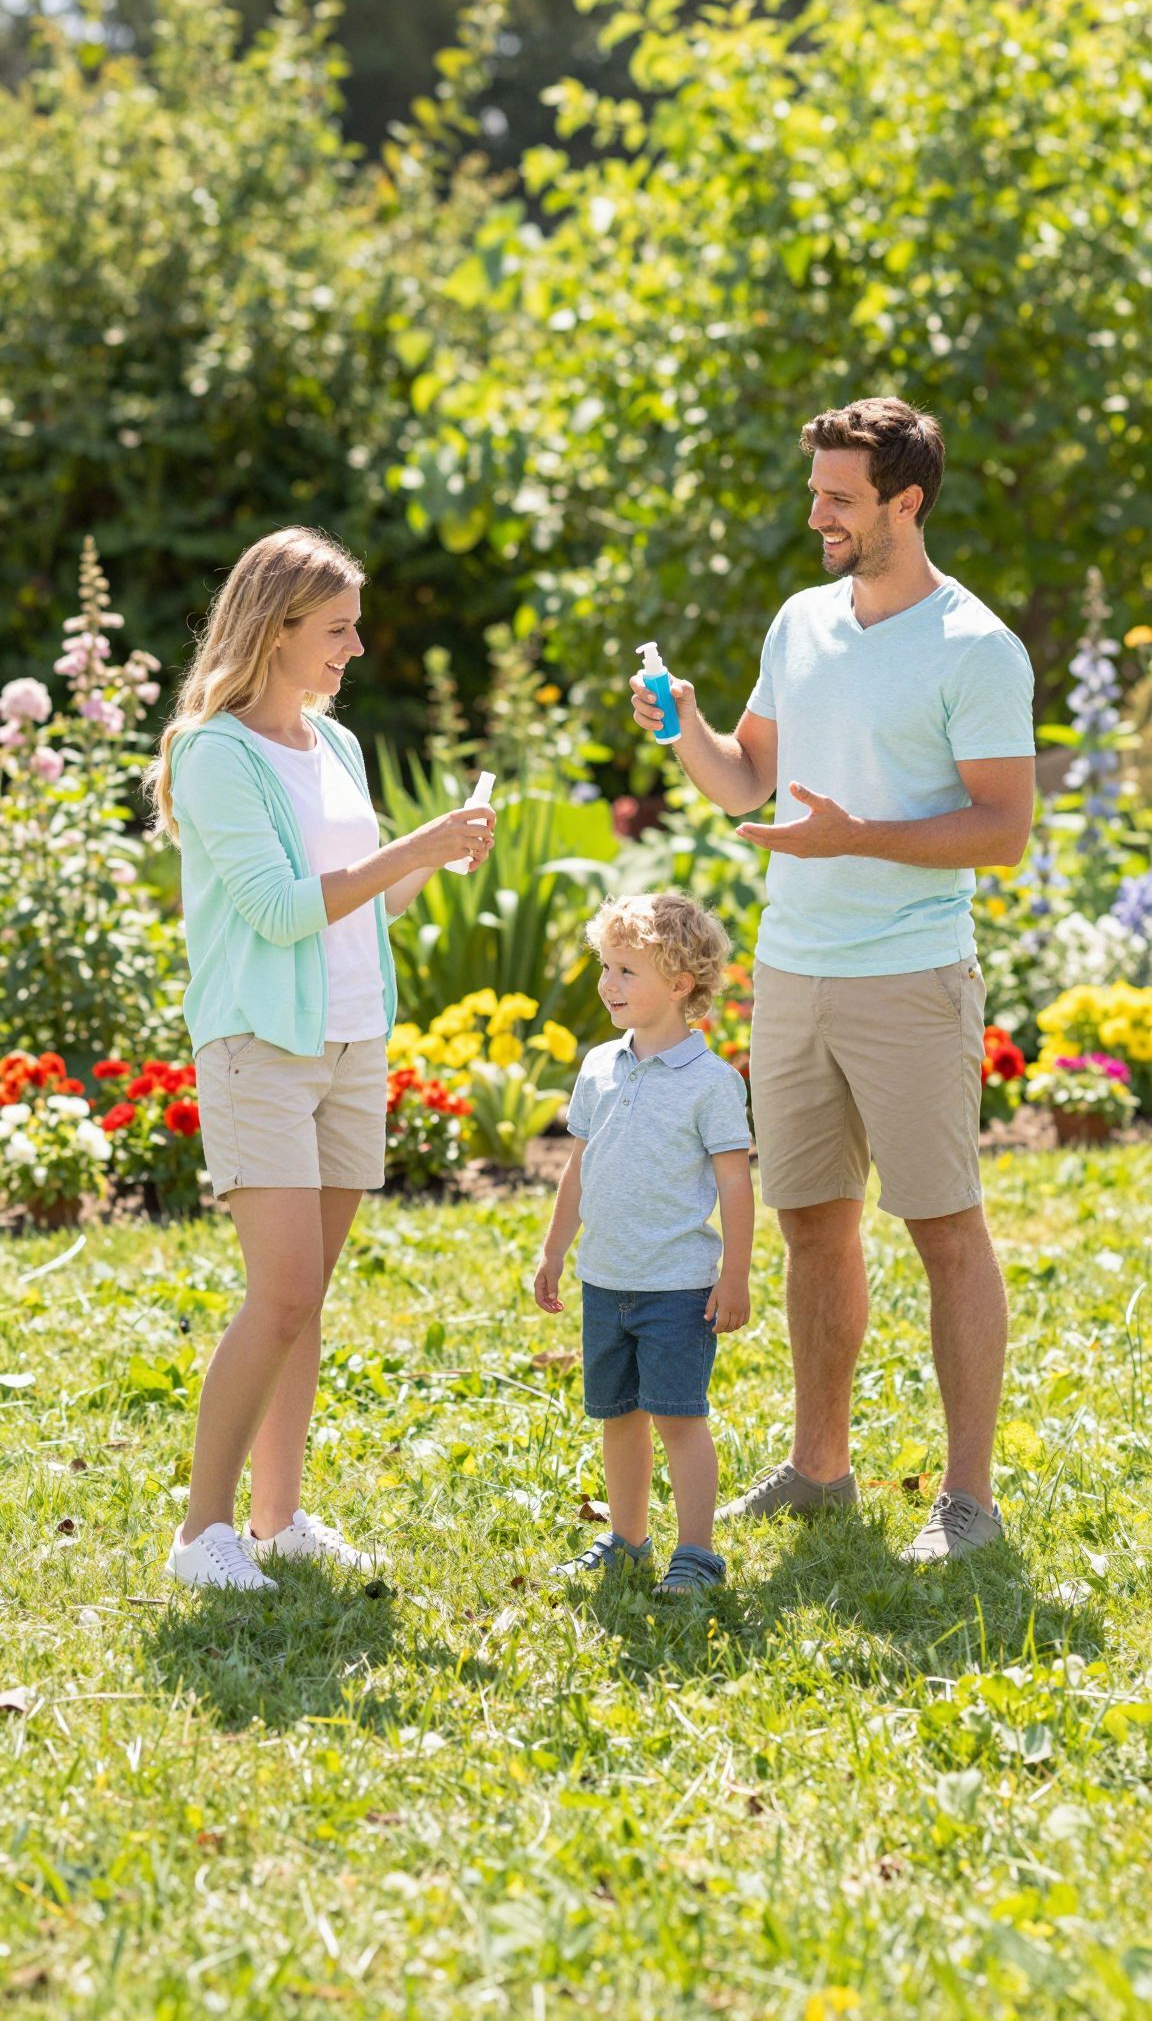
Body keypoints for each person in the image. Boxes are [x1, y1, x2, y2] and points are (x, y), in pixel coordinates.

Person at [630, 397, 1036, 1562]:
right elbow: (747, 784)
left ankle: (968, 1498)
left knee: (945, 1229)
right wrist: (687, 726)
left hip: (909, 975)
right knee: (813, 1223)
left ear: (907, 503)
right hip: (796, 969)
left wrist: (857, 836)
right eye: (817, 490)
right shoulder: (800, 622)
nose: (818, 513)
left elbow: (1002, 829)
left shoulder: (976, 646)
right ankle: (820, 1469)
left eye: (840, 496)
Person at [145, 527, 496, 1591]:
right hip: (261, 1042)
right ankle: (202, 1532)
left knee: (310, 1294)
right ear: (278, 627)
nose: (353, 648)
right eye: (336, 629)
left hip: (349, 1039)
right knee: (282, 1290)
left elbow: (371, 899)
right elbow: (279, 908)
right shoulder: (214, 753)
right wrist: (416, 846)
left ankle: (280, 1516)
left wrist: (442, 854)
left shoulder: (333, 746)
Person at [535, 893, 754, 1595]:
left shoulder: (713, 1084)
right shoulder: (601, 1065)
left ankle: (697, 1554)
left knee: (678, 1418)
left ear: (681, 982)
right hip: (606, 1280)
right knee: (617, 1417)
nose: (608, 984)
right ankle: (627, 1540)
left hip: (678, 1287)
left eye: (627, 971)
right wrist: (554, 1251)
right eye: (606, 966)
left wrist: (737, 1275)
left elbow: (736, 1186)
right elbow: (579, 1167)